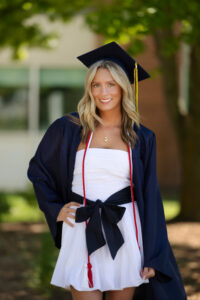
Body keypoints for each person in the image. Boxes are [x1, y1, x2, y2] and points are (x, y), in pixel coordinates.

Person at [27, 42, 187, 300]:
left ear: (124, 88)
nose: (103, 92)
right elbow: (39, 170)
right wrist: (54, 207)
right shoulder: (68, 128)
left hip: (126, 227)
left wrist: (154, 255)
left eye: (111, 84)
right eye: (96, 84)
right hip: (81, 227)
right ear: (89, 89)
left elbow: (150, 195)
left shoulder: (141, 137)